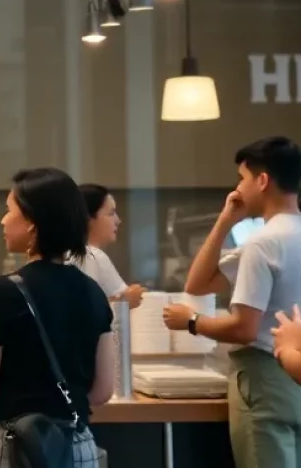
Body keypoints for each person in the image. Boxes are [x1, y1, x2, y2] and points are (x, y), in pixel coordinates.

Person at [163, 137, 301, 468]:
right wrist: (227, 220)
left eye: (243, 178)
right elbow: (198, 282)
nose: (238, 187)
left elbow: (244, 328)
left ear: (263, 180)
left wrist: (192, 321)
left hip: (265, 377)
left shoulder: (263, 244)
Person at [0, 168, 115, 468]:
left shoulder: (2, 292)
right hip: (75, 445)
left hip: (14, 445)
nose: (3, 220)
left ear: (33, 226)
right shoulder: (93, 292)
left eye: (9, 211)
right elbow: (103, 390)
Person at [76, 184, 146, 309]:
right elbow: (86, 310)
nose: (118, 220)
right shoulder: (90, 256)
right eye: (111, 213)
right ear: (88, 218)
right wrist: (124, 301)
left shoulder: (76, 255)